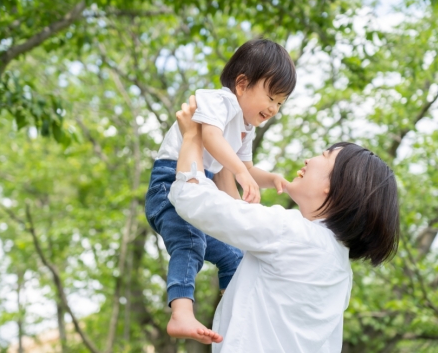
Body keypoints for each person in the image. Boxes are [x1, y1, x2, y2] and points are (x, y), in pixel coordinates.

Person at [167, 96, 400, 351]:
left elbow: (192, 199)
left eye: (324, 155)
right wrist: (225, 153)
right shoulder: (339, 272)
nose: (308, 160)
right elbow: (237, 215)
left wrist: (191, 136)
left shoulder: (292, 233)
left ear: (333, 186)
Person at [145, 39, 296, 342]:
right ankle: (181, 312)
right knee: (190, 243)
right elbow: (211, 138)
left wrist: (272, 179)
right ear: (242, 84)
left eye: (280, 103)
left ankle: (236, 314)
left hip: (201, 184)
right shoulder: (218, 101)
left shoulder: (245, 126)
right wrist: (240, 172)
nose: (274, 108)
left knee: (233, 255)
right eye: (271, 97)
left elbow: (246, 167)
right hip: (169, 183)